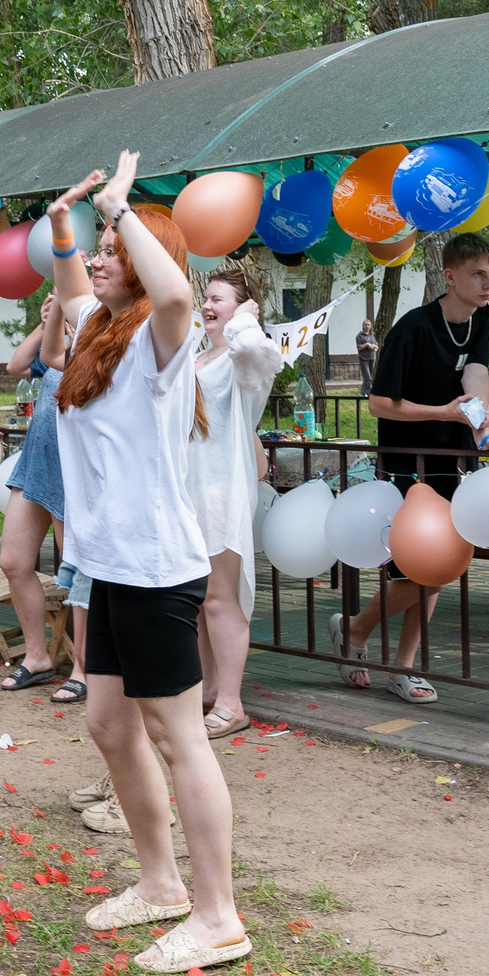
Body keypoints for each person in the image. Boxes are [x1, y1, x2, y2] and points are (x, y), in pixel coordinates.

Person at [50, 156, 248, 973]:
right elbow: (68, 291)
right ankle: (162, 884)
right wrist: (67, 224)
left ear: (144, 250)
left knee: (178, 738)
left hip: (156, 568)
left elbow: (174, 293)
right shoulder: (100, 329)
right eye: (98, 245)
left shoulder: (160, 338)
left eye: (111, 246)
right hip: (106, 566)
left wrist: (121, 206)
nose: (99, 256)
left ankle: (218, 916)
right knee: (106, 723)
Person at [335, 235, 489, 702]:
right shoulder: (411, 328)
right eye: (479, 274)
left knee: (438, 566)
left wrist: (483, 435)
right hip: (405, 464)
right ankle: (355, 631)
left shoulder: (483, 319)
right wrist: (442, 413)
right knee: (414, 570)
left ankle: (401, 665)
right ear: (451, 276)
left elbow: (475, 374)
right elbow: (379, 404)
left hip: (449, 461)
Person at [192, 261, 283, 737]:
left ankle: (231, 701)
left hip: (220, 490)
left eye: (218, 299)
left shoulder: (247, 360)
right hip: (188, 487)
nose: (207, 305)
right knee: (199, 598)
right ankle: (207, 689)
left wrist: (246, 315)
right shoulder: (199, 354)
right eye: (205, 298)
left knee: (221, 598)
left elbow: (251, 345)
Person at [0, 294, 84, 701]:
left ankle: (84, 668)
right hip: (36, 462)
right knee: (13, 561)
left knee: (77, 579)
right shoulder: (58, 340)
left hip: (74, 471)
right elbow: (16, 365)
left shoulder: (100, 336)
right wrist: (51, 316)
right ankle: (37, 656)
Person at [355, 318, 377, 397]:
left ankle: (362, 392)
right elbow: (359, 348)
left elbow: (376, 345)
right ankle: (368, 393)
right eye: (365, 325)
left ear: (371, 326)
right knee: (367, 377)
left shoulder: (372, 335)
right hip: (363, 358)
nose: (367, 326)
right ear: (363, 326)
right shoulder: (359, 336)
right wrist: (367, 344)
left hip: (372, 358)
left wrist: (374, 346)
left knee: (369, 377)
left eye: (368, 325)